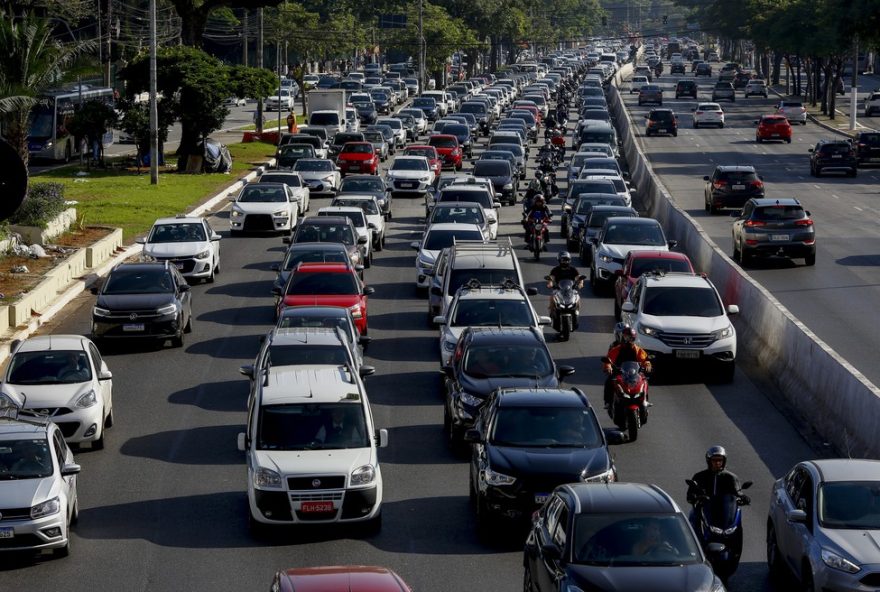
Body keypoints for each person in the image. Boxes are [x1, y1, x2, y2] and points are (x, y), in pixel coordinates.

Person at [603, 325, 651, 408]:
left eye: (631, 338)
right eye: (626, 338)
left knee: (645, 381)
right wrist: (608, 367)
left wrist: (647, 366)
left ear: (634, 339)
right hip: (619, 372)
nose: (628, 340)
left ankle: (645, 400)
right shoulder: (616, 349)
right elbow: (608, 360)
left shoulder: (638, 350)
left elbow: (645, 360)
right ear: (622, 338)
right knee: (609, 381)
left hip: (635, 373)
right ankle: (608, 402)